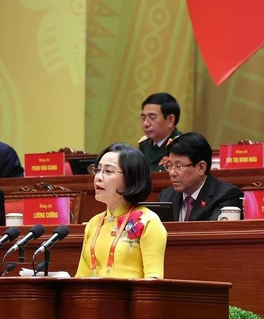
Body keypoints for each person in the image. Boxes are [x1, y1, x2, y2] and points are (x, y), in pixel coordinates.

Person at [75, 143, 167, 278]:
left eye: (108, 171)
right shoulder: (94, 223)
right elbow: (81, 277)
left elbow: (153, 280)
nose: (98, 177)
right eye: (98, 170)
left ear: (130, 178)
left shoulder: (148, 221)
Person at [158, 132, 243, 221]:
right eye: (169, 165)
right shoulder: (166, 197)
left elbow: (212, 229)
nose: (172, 173)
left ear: (201, 167)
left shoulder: (226, 196)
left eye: (179, 166)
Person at [138, 92, 182, 171]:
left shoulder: (182, 146)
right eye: (143, 118)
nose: (145, 124)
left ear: (170, 120)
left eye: (152, 117)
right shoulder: (144, 145)